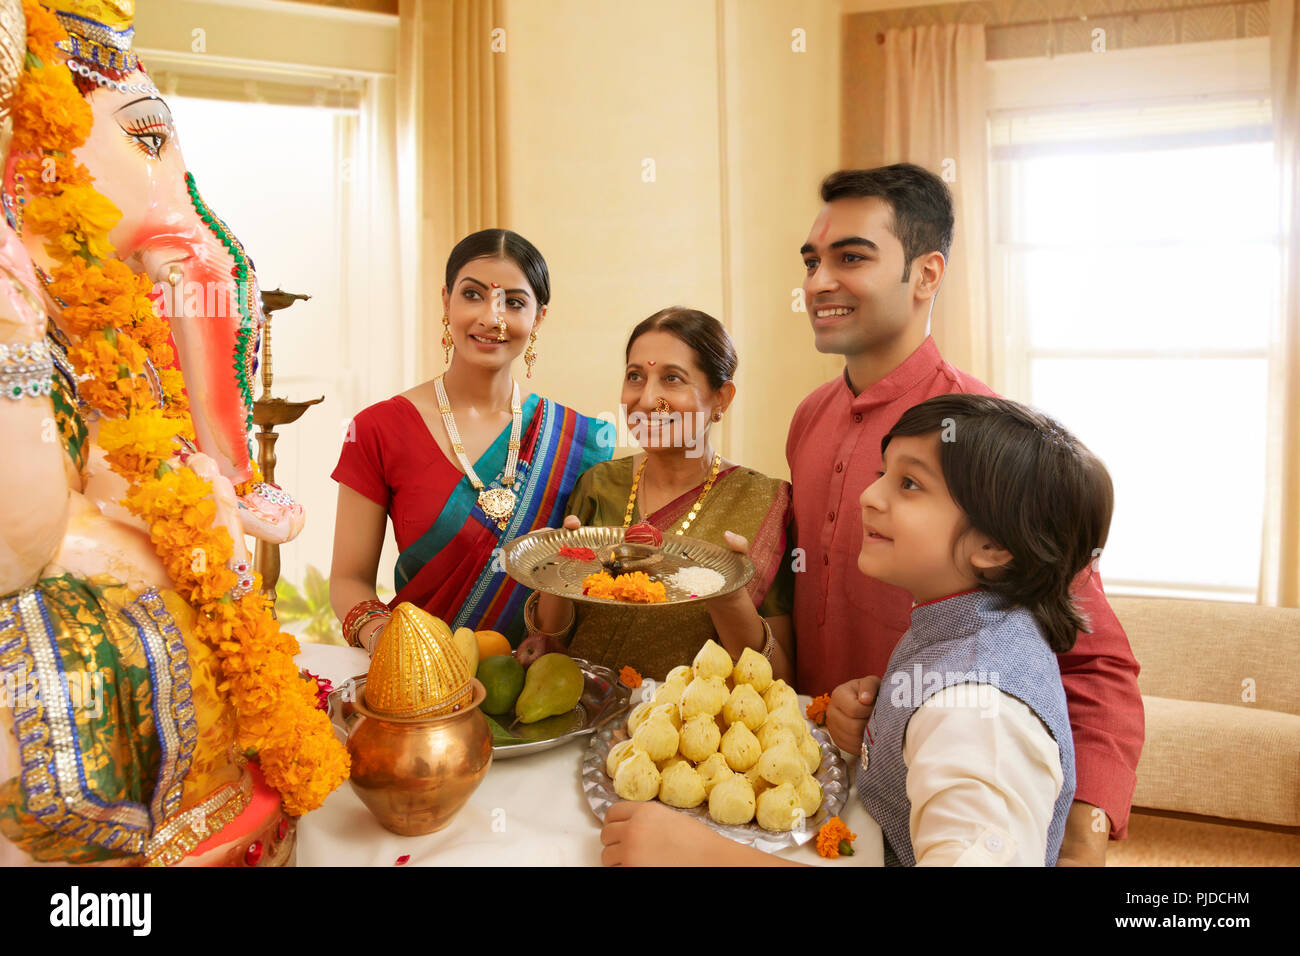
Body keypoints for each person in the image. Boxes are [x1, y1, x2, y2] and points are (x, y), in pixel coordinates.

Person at [786, 164, 1143, 865]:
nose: (819, 281)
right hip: (829, 787)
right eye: (811, 261)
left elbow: (1097, 660)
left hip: (947, 798)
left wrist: (1083, 828)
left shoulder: (982, 451)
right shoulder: (808, 418)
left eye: (851, 257)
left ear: (925, 274)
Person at [600, 394, 1109, 867]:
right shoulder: (959, 620)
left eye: (909, 484)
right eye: (882, 474)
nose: (868, 496)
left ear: (994, 547)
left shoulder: (979, 715)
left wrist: (702, 856)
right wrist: (879, 729)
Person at [329, 229, 613, 652]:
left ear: (538, 318)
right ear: (446, 301)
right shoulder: (378, 429)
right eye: (473, 295)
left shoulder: (577, 441)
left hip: (537, 685)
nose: (492, 318)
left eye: (514, 302)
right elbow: (349, 579)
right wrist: (384, 639)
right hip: (418, 687)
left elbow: (587, 593)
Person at [531, 308, 795, 682]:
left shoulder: (763, 501)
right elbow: (550, 646)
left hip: (690, 731)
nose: (649, 398)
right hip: (582, 721)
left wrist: (728, 594)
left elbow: (779, 677)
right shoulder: (599, 486)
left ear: (721, 397)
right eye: (635, 376)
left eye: (672, 379)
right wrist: (557, 571)